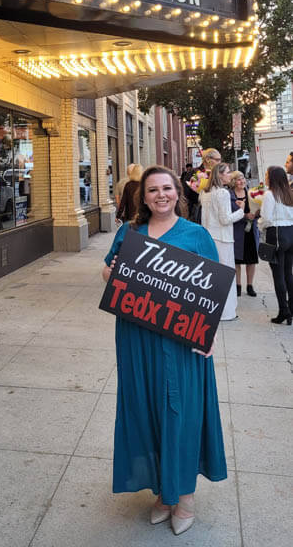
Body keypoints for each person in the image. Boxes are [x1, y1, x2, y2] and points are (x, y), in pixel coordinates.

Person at [102, 165, 227, 535]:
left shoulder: (197, 235)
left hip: (182, 339)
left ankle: (184, 495)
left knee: (181, 413)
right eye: (153, 189)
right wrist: (109, 273)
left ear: (178, 193)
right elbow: (108, 270)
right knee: (147, 410)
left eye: (167, 188)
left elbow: (211, 292)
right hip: (137, 336)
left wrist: (209, 334)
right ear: (143, 196)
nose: (161, 195)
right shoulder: (130, 232)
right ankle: (164, 492)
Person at [200, 163, 245, 320]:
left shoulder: (204, 193)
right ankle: (226, 313)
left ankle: (211, 310)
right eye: (227, 172)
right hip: (223, 238)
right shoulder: (223, 193)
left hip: (208, 238)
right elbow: (225, 219)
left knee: (212, 275)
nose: (230, 175)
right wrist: (241, 211)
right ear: (219, 175)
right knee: (226, 276)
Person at [258, 166, 293, 325]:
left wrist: (259, 226)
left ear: (272, 177)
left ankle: (283, 311)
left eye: (267, 174)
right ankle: (290, 308)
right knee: (288, 273)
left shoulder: (269, 195)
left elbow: (266, 218)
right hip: (291, 233)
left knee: (278, 274)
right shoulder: (289, 193)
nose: (265, 177)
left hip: (276, 234)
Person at [229, 171, 258, 297]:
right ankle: (238, 285)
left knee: (251, 259)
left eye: (243, 179)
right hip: (237, 231)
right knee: (237, 260)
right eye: (238, 179)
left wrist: (256, 214)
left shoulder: (252, 194)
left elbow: (259, 209)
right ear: (233, 182)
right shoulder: (230, 195)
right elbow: (229, 213)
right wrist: (245, 215)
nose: (242, 181)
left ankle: (250, 285)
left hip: (250, 230)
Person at [184, 148, 221, 221]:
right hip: (198, 214)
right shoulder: (194, 173)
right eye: (217, 160)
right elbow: (185, 194)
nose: (220, 162)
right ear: (207, 159)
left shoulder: (218, 174)